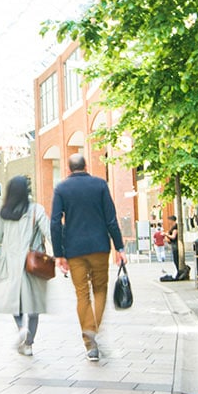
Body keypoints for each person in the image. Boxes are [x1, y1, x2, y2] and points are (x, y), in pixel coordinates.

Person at [51, 153, 126, 362]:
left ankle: (89, 341)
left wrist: (59, 254)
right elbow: (111, 219)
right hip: (100, 247)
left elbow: (55, 222)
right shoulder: (100, 185)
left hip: (74, 251)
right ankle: (94, 331)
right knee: (100, 290)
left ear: (68, 169)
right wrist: (119, 247)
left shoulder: (61, 188)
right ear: (86, 166)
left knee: (82, 294)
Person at [0, 176, 51, 356]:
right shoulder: (37, 210)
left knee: (15, 302)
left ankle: (21, 328)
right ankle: (28, 344)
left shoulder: (3, 213)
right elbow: (49, 232)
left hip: (11, 264)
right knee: (34, 306)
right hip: (32, 263)